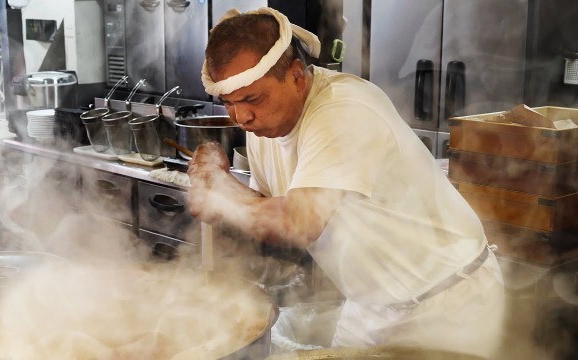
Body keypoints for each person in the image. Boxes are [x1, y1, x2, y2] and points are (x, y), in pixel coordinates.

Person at [187, 7, 505, 358]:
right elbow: (268, 207)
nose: (241, 117)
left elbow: (297, 222)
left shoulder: (344, 108)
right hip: (370, 305)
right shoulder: (265, 126)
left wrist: (221, 190)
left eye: (252, 99)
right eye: (229, 103)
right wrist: (219, 180)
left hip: (447, 301)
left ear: (296, 77)